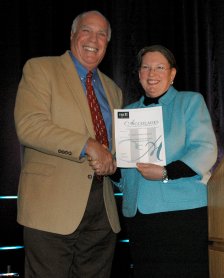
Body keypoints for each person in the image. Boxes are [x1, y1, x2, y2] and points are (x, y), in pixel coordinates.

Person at [14, 10, 123, 277]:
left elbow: (115, 147)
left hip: (102, 211)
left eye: (101, 35)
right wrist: (88, 144)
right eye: (86, 30)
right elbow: (30, 126)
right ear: (73, 34)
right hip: (52, 206)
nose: (93, 39)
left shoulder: (113, 89)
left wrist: (118, 161)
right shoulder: (40, 69)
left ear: (107, 44)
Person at [111, 44, 218, 277]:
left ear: (172, 74)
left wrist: (166, 172)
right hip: (139, 217)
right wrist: (110, 168)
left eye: (160, 67)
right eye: (146, 67)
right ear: (139, 74)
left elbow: (205, 149)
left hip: (183, 214)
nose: (152, 74)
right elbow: (124, 171)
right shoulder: (127, 112)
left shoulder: (190, 102)